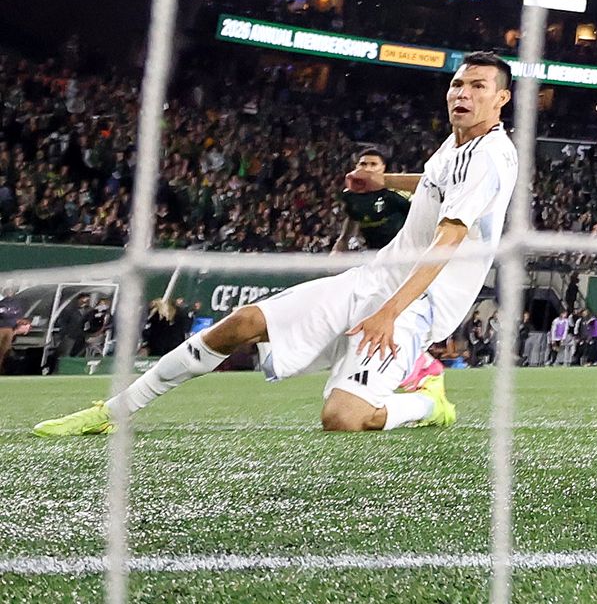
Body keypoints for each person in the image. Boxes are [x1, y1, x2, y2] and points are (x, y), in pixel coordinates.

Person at [34, 52, 520, 437]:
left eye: (479, 87)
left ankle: (426, 402)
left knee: (344, 418)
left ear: (501, 99)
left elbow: (448, 242)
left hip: (419, 304)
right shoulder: (457, 142)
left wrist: (391, 312)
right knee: (242, 323)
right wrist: (384, 182)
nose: (464, 93)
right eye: (459, 83)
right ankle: (113, 410)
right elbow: (436, 179)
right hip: (375, 279)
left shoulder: (490, 158)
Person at [334, 146, 411, 255]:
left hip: (401, 252)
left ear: (383, 167)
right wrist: (341, 244)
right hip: (371, 253)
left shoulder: (395, 193)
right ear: (356, 166)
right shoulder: (350, 195)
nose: (368, 168)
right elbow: (353, 217)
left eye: (373, 164)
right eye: (363, 164)